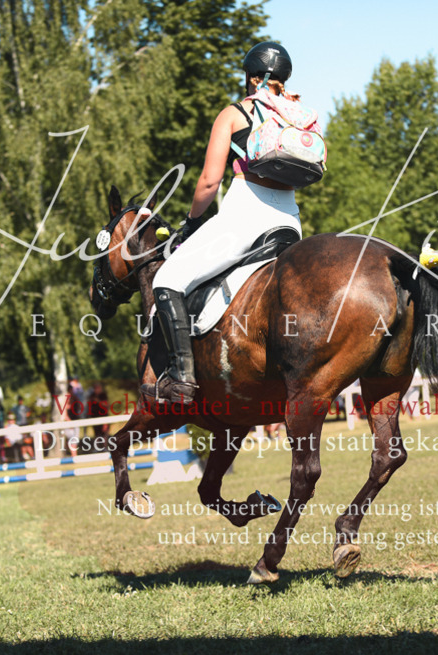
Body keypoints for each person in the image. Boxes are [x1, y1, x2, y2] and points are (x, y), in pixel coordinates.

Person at [140, 41, 306, 406]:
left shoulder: (234, 114)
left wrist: (191, 222)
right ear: (282, 78)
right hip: (290, 224)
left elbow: (209, 182)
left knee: (168, 279)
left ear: (251, 77)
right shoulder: (296, 114)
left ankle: (182, 378)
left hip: (244, 218)